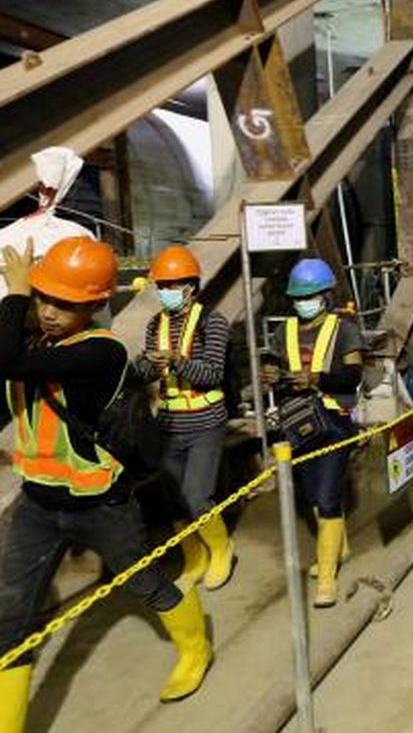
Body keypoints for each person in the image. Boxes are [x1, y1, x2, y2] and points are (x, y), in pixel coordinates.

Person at [0, 238, 212, 726]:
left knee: (145, 581)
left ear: (95, 305)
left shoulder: (99, 353)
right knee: (10, 618)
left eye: (66, 303)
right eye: (43, 298)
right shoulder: (39, 345)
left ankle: (196, 647)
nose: (49, 312)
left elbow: (6, 360)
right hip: (37, 504)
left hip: (100, 503)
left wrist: (14, 294)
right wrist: (19, 302)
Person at [261, 258, 363, 608]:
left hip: (334, 422)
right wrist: (271, 372)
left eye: (310, 296)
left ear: (325, 295)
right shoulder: (283, 331)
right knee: (315, 491)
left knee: (327, 496)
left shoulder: (344, 329)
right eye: (298, 298)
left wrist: (317, 378)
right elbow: (273, 360)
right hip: (298, 422)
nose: (303, 303)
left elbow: (353, 376)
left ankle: (328, 578)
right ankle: (340, 547)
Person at [132, 245, 234, 592]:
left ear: (190, 287)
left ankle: (221, 549)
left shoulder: (213, 322)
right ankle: (195, 557)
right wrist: (144, 365)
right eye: (161, 285)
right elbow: (145, 373)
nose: (165, 292)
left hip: (206, 420)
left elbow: (212, 373)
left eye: (172, 285)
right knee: (174, 496)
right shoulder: (154, 324)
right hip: (169, 424)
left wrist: (176, 360)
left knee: (196, 493)